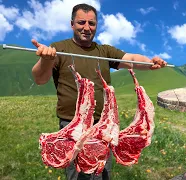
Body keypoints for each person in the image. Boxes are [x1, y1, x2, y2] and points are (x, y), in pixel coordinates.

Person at [31, 3, 167, 180]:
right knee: (77, 175)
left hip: (103, 125)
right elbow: (39, 79)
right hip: (72, 127)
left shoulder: (103, 51)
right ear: (72, 24)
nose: (87, 28)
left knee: (103, 173)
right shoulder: (59, 48)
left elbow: (131, 59)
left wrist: (150, 63)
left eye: (91, 23)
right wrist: (46, 59)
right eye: (81, 22)